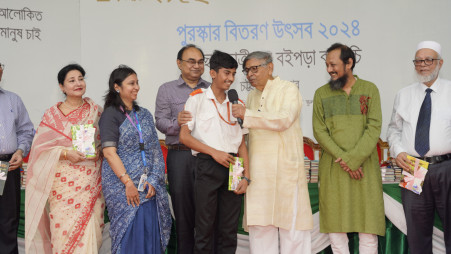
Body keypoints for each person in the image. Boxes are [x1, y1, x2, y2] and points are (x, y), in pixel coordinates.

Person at [231, 51, 313, 254]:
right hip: (258, 175)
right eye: (247, 70)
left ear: (270, 67)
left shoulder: (288, 89)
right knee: (260, 229)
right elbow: (241, 140)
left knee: (292, 230)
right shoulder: (250, 96)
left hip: (285, 171)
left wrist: (247, 114)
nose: (250, 74)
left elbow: (284, 119)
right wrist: (237, 175)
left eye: (254, 68)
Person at [312, 43, 385, 253]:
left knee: (368, 228)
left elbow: (374, 127)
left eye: (333, 64)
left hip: (365, 168)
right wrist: (346, 159)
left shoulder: (369, 89)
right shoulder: (321, 94)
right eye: (326, 65)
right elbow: (320, 132)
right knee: (336, 230)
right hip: (334, 168)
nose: (329, 69)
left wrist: (354, 159)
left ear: (349, 62)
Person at [25, 64, 104, 253]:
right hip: (62, 185)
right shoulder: (51, 115)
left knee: (90, 229)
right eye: (72, 80)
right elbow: (39, 149)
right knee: (63, 233)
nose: (78, 83)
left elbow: (103, 144)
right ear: (62, 87)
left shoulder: (96, 110)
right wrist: (66, 153)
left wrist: (98, 152)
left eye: (81, 78)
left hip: (89, 182)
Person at [179, 50, 249, 254]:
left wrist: (246, 176)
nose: (230, 78)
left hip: (235, 165)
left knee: (229, 229)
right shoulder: (197, 99)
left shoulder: (238, 104)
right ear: (212, 73)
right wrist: (214, 153)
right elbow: (185, 137)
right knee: (205, 227)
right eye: (226, 73)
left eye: (234, 74)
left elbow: (242, 145)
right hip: (208, 163)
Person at [387, 40, 451, 254]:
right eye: (418, 61)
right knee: (416, 230)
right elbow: (394, 130)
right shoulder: (403, 94)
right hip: (413, 167)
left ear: (440, 63)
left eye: (428, 60)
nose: (423, 65)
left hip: (447, 167)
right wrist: (398, 151)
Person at [100, 65, 171, 254]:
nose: (136, 87)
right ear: (117, 87)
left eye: (137, 82)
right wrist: (128, 183)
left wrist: (154, 180)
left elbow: (156, 150)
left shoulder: (145, 114)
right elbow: (109, 153)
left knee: (149, 234)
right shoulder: (110, 115)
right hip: (122, 187)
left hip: (149, 188)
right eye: (131, 83)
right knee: (130, 235)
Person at [155, 44, 210, 254]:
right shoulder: (166, 89)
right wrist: (177, 122)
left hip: (207, 156)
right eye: (191, 61)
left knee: (207, 214)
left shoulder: (211, 88)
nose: (197, 66)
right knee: (184, 216)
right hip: (180, 156)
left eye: (200, 61)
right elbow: (160, 122)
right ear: (179, 63)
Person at [0, 62, 34, 254]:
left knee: (7, 219)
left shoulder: (12, 99)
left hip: (5, 166)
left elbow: (26, 131)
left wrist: (20, 151)